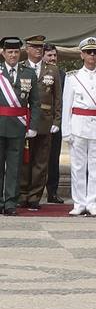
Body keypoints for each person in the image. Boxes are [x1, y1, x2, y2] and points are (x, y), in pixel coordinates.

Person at [61, 38, 96, 217]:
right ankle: (79, 202)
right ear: (82, 54)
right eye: (88, 52)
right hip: (78, 125)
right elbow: (66, 105)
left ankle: (92, 203)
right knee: (77, 167)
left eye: (95, 52)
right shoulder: (72, 77)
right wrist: (66, 130)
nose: (92, 55)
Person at [0, 36, 39, 215]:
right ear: (3, 53)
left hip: (18, 126)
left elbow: (36, 102)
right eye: (10, 52)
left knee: (15, 168)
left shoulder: (28, 73)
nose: (13, 55)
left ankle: (10, 203)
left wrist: (32, 126)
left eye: (16, 52)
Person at [21, 35, 60, 212]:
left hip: (45, 120)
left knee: (41, 161)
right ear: (27, 49)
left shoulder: (52, 70)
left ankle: (35, 196)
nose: (38, 50)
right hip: (24, 119)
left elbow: (57, 98)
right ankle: (21, 194)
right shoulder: (21, 68)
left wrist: (57, 120)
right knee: (23, 160)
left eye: (40, 47)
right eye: (34, 47)